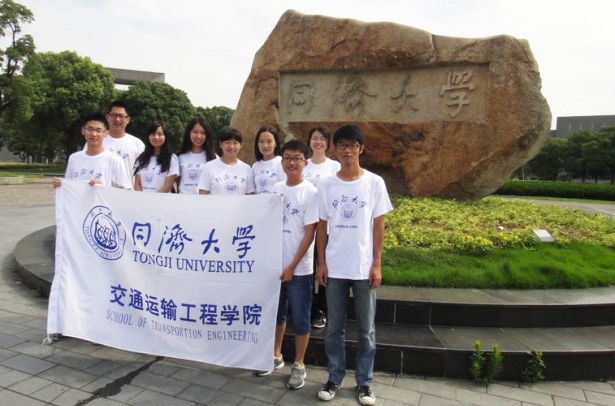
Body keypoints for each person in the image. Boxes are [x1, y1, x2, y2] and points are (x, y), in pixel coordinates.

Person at [316, 125, 393, 406]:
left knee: (366, 329)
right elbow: (321, 225)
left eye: (352, 145)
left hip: (363, 268)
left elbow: (379, 225)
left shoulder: (374, 183)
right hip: (335, 267)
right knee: (334, 328)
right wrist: (322, 262)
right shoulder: (326, 184)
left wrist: (377, 264)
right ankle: (334, 377)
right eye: (342, 145)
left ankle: (364, 382)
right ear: (335, 149)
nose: (347, 150)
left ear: (361, 148)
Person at [255, 140, 318, 390]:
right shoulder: (276, 188)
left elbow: (309, 234)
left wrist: (292, 266)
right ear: (281, 162)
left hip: (299, 269)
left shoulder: (311, 192)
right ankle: (275, 355)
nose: (292, 163)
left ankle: (299, 364)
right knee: (276, 314)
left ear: (305, 163)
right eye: (288, 158)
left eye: (297, 158)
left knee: (301, 317)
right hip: (275, 266)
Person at [306, 126, 341, 330]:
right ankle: (308, 308)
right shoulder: (303, 165)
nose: (318, 142)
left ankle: (322, 310)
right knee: (308, 270)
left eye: (322, 139)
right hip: (306, 227)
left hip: (328, 227)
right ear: (309, 142)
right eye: (314, 138)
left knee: (325, 268)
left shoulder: (335, 166)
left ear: (328, 143)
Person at [53, 113, 132, 189]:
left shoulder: (115, 160)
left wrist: (103, 189)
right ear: (83, 131)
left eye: (98, 130)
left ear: (105, 133)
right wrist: (61, 184)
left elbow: (125, 191)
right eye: (90, 129)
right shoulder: (74, 158)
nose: (94, 134)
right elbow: (69, 186)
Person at [198, 128, 255, 195]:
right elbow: (202, 194)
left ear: (240, 145)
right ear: (221, 144)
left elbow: (250, 196)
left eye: (235, 143)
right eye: (227, 142)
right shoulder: (209, 166)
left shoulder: (247, 169)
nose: (231, 146)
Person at [103, 101, 145, 182]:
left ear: (128, 119)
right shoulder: (97, 141)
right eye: (114, 115)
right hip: (102, 189)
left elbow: (143, 172)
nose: (117, 119)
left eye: (121, 116)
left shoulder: (137, 144)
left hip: (128, 189)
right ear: (107, 117)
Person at [133, 121, 179, 193]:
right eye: (153, 134)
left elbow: (167, 186)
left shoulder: (172, 158)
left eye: (160, 134)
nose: (156, 137)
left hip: (162, 199)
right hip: (142, 199)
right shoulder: (141, 158)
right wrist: (142, 198)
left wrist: (153, 198)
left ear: (165, 136)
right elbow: (137, 184)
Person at [177, 117, 217, 194]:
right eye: (195, 132)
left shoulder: (214, 157)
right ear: (189, 133)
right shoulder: (180, 157)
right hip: (183, 199)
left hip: (204, 200)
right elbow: (178, 181)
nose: (199, 136)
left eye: (203, 133)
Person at [252, 126, 286, 194]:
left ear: (276, 143)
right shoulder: (255, 166)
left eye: (269, 141)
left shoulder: (281, 162)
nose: (265, 145)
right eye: (261, 141)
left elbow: (285, 188)